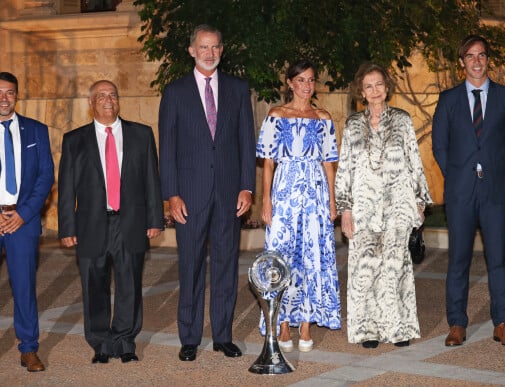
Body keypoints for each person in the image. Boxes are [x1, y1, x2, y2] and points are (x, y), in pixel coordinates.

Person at [158, 24, 255, 361]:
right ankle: (189, 337)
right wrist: (171, 194)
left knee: (227, 266)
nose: (209, 53)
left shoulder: (238, 90)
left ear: (221, 50)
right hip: (190, 196)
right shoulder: (175, 92)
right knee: (191, 265)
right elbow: (167, 148)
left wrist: (247, 186)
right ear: (191, 51)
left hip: (230, 195)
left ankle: (223, 335)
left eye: (215, 47)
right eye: (203, 47)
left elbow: (246, 141)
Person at [58, 80, 164, 364]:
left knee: (130, 283)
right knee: (95, 286)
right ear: (91, 103)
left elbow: (152, 181)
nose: (108, 100)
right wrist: (67, 227)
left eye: (113, 95)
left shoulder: (141, 135)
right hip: (91, 224)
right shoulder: (74, 139)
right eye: (102, 96)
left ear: (118, 101)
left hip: (130, 223)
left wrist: (155, 219)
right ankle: (101, 343)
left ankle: (125, 340)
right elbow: (66, 187)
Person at [432, 35, 505, 347]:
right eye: (470, 56)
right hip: (460, 193)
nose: (476, 61)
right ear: (462, 62)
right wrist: (458, 175)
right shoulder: (448, 99)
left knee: (498, 259)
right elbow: (440, 146)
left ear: (488, 59)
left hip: (495, 193)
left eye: (481, 55)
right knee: (458, 259)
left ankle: (502, 323)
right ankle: (457, 324)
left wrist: (494, 171)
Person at [335, 62, 431, 348]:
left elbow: (414, 161)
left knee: (395, 266)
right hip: (363, 208)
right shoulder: (353, 124)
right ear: (361, 92)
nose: (375, 91)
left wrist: (419, 200)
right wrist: (345, 208)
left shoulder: (402, 120)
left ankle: (398, 328)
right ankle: (367, 329)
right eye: (368, 86)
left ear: (387, 87)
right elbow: (345, 168)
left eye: (379, 84)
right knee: (365, 268)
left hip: (398, 204)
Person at [256, 59, 341, 352]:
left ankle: (305, 324)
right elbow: (268, 163)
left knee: (312, 255)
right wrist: (266, 199)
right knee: (281, 254)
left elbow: (330, 164)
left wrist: (332, 200)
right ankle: (281, 325)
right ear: (290, 83)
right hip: (284, 192)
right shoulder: (276, 115)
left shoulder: (324, 117)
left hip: (315, 192)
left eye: (311, 80)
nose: (307, 85)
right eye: (301, 80)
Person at [0, 72, 54, 372]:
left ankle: (29, 349)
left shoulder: (35, 130)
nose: (3, 98)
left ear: (17, 96)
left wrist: (22, 214)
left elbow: (46, 176)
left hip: (23, 219)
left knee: (23, 287)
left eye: (9, 92)